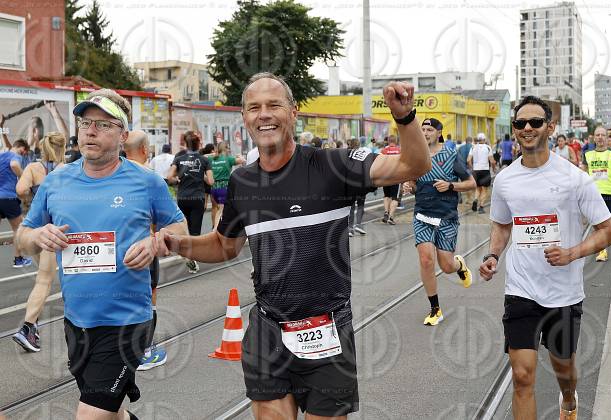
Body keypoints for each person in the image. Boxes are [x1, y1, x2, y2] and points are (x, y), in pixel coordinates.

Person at [152, 73, 431, 419]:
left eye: (274, 105)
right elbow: (225, 246)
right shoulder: (243, 180)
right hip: (268, 331)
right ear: (244, 118)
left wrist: (405, 117)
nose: (264, 114)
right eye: (254, 108)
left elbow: (414, 165)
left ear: (293, 112)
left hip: (326, 331)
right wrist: (178, 243)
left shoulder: (332, 165)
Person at [17, 89, 188, 420]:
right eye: (84, 122)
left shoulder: (146, 182)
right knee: (110, 413)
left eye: (102, 124)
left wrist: (156, 242)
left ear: (123, 134)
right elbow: (22, 238)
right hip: (77, 322)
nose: (90, 131)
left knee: (90, 415)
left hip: (127, 323)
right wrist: (38, 234)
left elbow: (180, 230)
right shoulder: (56, 183)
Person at [479, 95, 611, 420]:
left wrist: (573, 252)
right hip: (521, 290)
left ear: (550, 127)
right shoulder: (505, 180)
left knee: (564, 369)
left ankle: (569, 402)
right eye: (520, 123)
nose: (527, 128)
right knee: (523, 375)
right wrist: (493, 254)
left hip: (563, 294)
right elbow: (501, 225)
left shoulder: (574, 179)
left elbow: (609, 231)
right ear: (514, 130)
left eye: (535, 122)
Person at [403, 117, 476, 326]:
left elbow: (470, 183)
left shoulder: (451, 155)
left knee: (446, 266)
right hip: (422, 216)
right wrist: (410, 187)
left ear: (438, 132)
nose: (424, 133)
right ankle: (435, 309)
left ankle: (459, 264)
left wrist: (451, 186)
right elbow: (414, 184)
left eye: (429, 129)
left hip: (446, 217)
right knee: (426, 259)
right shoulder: (417, 156)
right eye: (422, 129)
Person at [12, 131, 65, 352]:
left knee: (43, 278)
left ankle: (32, 326)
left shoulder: (33, 168)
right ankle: (27, 327)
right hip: (53, 230)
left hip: (34, 228)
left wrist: (31, 196)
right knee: (45, 280)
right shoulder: (65, 170)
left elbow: (20, 189)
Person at [124, 130, 169, 370]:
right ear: (144, 150)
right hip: (144, 249)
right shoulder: (147, 178)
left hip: (117, 251)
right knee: (148, 300)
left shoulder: (112, 175)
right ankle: (145, 350)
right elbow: (164, 222)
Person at [168, 131, 213, 273]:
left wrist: (177, 180)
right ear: (199, 144)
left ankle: (187, 256)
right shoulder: (204, 160)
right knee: (195, 231)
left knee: (183, 229)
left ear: (185, 144)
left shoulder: (179, 158)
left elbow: (169, 177)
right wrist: (201, 177)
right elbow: (211, 181)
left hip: (182, 198)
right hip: (197, 198)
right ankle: (192, 258)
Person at [580, 126, 611, 262]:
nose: (600, 137)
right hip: (594, 194)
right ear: (594, 137)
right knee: (598, 225)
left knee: (610, 223)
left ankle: (605, 242)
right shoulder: (587, 154)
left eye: (602, 135)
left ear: (606, 137)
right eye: (597, 135)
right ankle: (603, 251)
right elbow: (584, 173)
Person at [0, 138, 32, 268]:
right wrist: (24, 177)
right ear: (21, 148)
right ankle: (18, 259)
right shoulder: (15, 156)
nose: (23, 154)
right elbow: (14, 165)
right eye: (24, 152)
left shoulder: (1, 155)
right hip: (8, 198)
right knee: (18, 230)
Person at [207, 142, 245, 230]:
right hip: (224, 187)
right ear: (225, 149)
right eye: (228, 148)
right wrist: (239, 155)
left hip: (214, 188)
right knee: (221, 210)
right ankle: (215, 229)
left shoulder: (211, 159)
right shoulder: (228, 159)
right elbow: (243, 161)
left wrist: (212, 154)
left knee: (220, 209)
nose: (229, 150)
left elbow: (203, 156)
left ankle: (220, 228)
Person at [467, 132, 496, 214]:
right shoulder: (488, 148)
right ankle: (481, 207)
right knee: (485, 189)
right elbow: (492, 161)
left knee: (478, 188)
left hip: (476, 171)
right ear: (484, 139)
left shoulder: (473, 147)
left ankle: (475, 199)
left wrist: (472, 167)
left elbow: (468, 160)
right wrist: (493, 168)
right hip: (485, 170)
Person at [347, 138, 367, 236]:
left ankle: (350, 228)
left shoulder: (346, 153)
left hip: (350, 183)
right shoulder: (363, 154)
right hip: (361, 183)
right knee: (360, 204)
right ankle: (359, 224)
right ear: (358, 145)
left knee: (351, 206)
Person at [381, 134, 401, 225]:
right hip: (396, 176)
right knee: (395, 198)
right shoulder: (399, 150)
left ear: (388, 141)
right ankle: (391, 217)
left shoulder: (384, 151)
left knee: (386, 195)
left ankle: (386, 212)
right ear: (396, 141)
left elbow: (379, 163)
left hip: (386, 176)